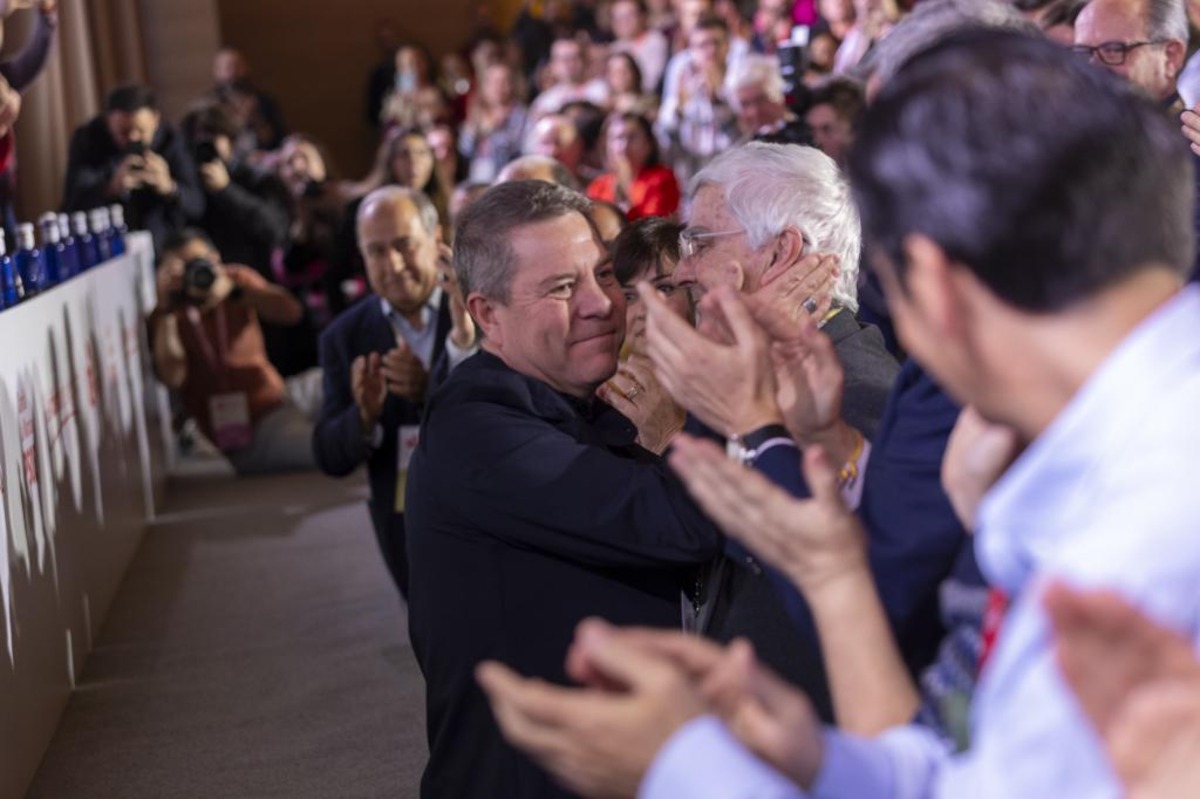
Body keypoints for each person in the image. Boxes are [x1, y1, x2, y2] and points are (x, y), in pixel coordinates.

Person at [478, 28, 1200, 799]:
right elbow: (966, 767)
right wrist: (817, 754)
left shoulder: (1143, 545)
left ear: (935, 280)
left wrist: (682, 766)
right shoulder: (1118, 436)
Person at [403, 180, 724, 799]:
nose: (601, 304)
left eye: (603, 274)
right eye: (560, 287)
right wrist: (677, 428)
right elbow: (679, 523)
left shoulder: (573, 397)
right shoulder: (479, 429)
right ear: (486, 315)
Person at [313, 186, 476, 599]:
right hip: (404, 512)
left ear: (435, 238)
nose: (394, 265)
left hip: (487, 491)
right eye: (376, 252)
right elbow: (329, 456)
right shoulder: (343, 338)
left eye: (404, 245)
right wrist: (364, 416)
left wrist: (432, 385)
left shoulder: (478, 308)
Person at [148, 229, 315, 475]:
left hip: (281, 395)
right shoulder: (167, 314)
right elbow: (173, 377)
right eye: (182, 269)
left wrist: (236, 292)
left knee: (340, 378)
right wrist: (166, 310)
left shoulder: (235, 280)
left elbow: (291, 312)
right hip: (251, 432)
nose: (193, 274)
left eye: (198, 263)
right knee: (328, 445)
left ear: (215, 259)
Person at [63, 84, 204, 254]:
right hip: (105, 244)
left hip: (164, 244)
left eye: (141, 131)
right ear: (109, 123)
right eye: (123, 132)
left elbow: (197, 205)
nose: (133, 139)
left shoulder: (172, 140)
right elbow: (72, 203)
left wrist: (169, 187)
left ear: (155, 119)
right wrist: (110, 187)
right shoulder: (88, 139)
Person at [587, 112, 681, 220]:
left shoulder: (661, 179)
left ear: (648, 144)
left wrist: (624, 189)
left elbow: (651, 225)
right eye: (618, 138)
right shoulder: (598, 186)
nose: (624, 146)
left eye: (632, 137)